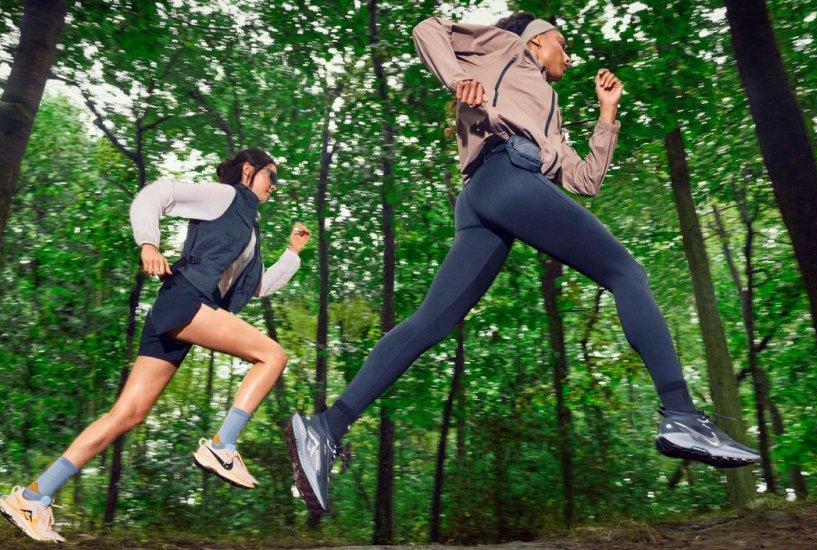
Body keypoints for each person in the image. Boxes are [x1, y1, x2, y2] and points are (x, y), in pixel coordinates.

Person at [285, 12, 759, 515]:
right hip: (504, 174)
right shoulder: (505, 46)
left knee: (431, 323)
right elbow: (427, 28)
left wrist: (607, 114)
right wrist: (457, 79)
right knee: (626, 273)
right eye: (564, 43)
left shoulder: (549, 115)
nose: (570, 57)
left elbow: (584, 180)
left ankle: (325, 428)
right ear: (539, 39)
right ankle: (681, 413)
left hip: (488, 197)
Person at [0, 148, 311, 542]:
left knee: (126, 414)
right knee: (273, 355)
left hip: (182, 313)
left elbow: (257, 286)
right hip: (185, 301)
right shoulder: (225, 196)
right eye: (272, 177)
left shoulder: (248, 228)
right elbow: (156, 194)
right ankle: (222, 446)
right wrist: (148, 242)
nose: (274, 187)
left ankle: (32, 497)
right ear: (249, 171)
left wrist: (293, 253)